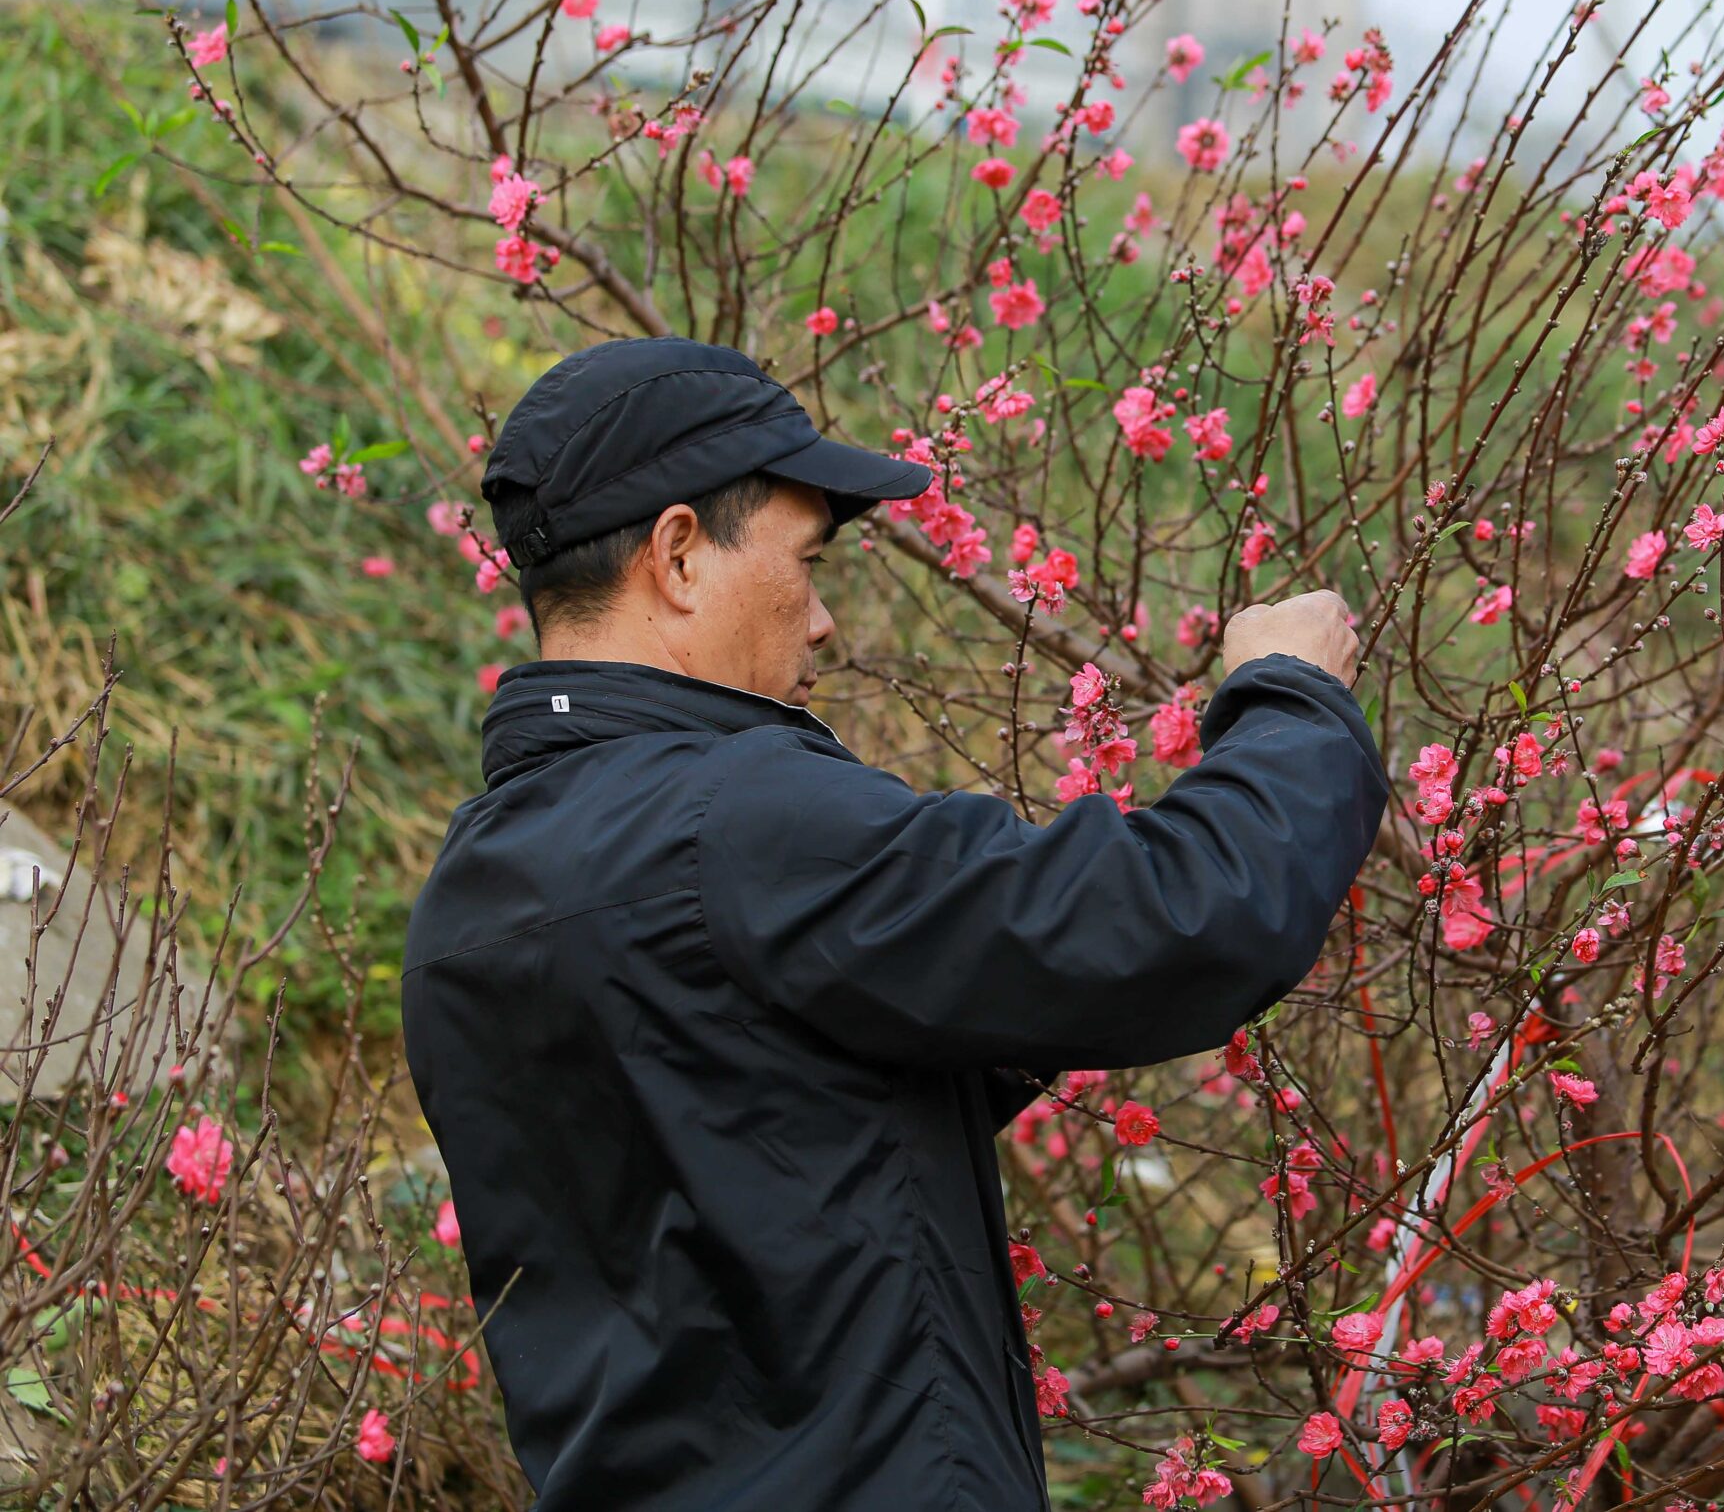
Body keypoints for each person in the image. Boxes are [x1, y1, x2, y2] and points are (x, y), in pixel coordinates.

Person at [402, 337, 1389, 1511]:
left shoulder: (472, 892)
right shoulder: (738, 817)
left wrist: (1013, 992)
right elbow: (1183, 918)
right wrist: (1288, 700)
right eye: (805, 563)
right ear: (676, 555)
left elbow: (773, 1125)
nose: (821, 623)